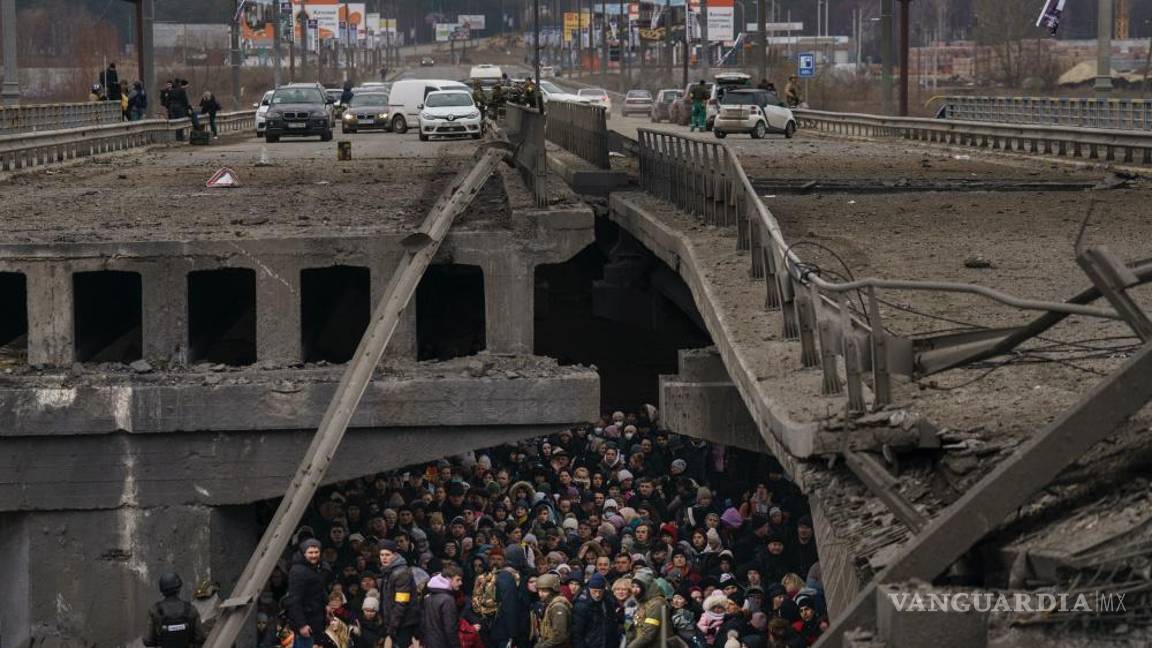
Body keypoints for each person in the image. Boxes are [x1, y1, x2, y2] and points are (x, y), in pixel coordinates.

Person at [287, 538, 330, 648]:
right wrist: (302, 625)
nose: (314, 555)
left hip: (317, 618)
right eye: (310, 553)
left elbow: (319, 588)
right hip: (305, 620)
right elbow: (294, 600)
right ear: (304, 553)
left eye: (316, 552)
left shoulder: (319, 567)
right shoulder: (297, 571)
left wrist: (326, 604)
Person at [144, 572, 206, 648]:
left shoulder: (155, 610)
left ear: (162, 590)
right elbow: (200, 637)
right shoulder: (190, 609)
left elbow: (148, 640)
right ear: (179, 588)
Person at [380, 539, 420, 648]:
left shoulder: (401, 573)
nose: (384, 558)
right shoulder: (388, 571)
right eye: (382, 555)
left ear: (395, 555)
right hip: (396, 622)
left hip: (404, 623)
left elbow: (401, 602)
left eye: (387, 555)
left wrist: (392, 627)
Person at [421, 565, 464, 648]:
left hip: (429, 642)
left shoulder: (428, 597)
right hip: (443, 643)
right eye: (458, 580)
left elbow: (423, 622)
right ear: (448, 579)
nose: (460, 583)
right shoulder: (448, 600)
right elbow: (450, 628)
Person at [626, 572, 669, 648]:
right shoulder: (642, 602)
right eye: (633, 586)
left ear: (646, 587)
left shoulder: (657, 604)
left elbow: (648, 633)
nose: (634, 590)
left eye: (638, 587)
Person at [573, 573, 614, 648]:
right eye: (594, 591)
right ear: (589, 589)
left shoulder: (608, 602)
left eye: (600, 591)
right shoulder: (581, 606)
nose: (597, 595)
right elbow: (577, 634)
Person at [534, 574, 572, 648]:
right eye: (539, 590)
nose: (540, 594)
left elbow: (560, 636)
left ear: (553, 590)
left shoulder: (558, 607)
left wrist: (541, 646)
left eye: (544, 591)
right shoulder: (549, 604)